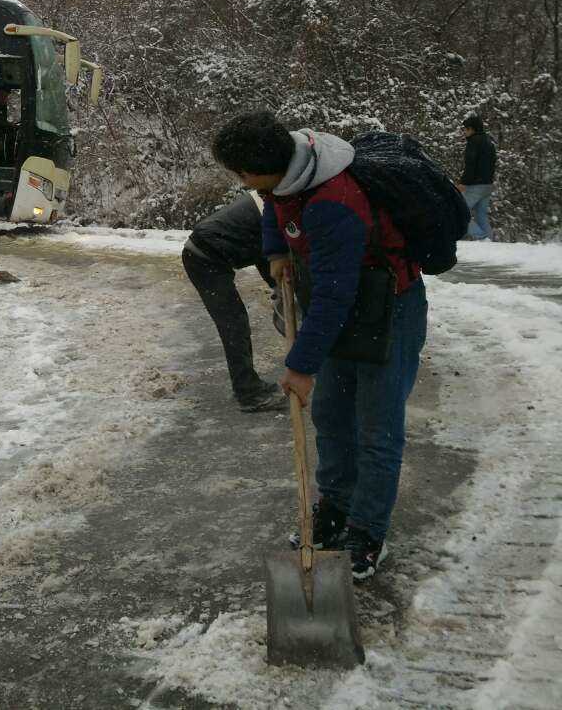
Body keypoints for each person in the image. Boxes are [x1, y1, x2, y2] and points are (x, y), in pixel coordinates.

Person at [211, 112, 427, 581]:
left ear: (269, 163)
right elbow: (271, 205)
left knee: (376, 426)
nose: (243, 182)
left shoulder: (334, 201)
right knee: (331, 413)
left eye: (244, 173)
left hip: (388, 308)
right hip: (343, 299)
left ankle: (367, 531)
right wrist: (275, 253)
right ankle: (336, 506)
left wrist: (301, 365)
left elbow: (335, 295)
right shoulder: (287, 173)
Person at [182, 195, 285, 413]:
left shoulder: (270, 202)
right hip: (202, 259)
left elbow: (265, 255)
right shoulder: (275, 210)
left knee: (236, 322)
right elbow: (269, 253)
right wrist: (281, 289)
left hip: (209, 252)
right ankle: (248, 392)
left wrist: (279, 287)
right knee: (234, 324)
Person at [458, 114, 497, 241]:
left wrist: (463, 183)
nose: (464, 132)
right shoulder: (488, 141)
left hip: (475, 185)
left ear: (472, 129)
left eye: (465, 129)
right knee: (481, 216)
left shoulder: (473, 142)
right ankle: (490, 242)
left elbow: (471, 165)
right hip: (488, 185)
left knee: (458, 211)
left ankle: (481, 236)